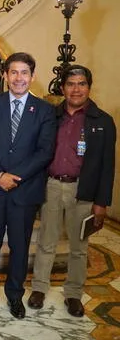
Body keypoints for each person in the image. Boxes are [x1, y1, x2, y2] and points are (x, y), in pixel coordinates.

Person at [0, 52, 57, 319]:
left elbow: (44, 152)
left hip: (24, 190)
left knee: (19, 247)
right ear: (5, 75)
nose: (19, 78)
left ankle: (14, 295)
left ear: (32, 76)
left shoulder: (44, 110)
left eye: (24, 73)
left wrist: (14, 176)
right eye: (14, 72)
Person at [29, 65, 116, 317]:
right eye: (70, 84)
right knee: (46, 241)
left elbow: (107, 166)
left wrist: (102, 203)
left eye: (81, 84)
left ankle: (74, 294)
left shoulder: (103, 122)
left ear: (89, 87)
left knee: (79, 246)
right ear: (63, 87)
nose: (76, 89)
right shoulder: (50, 116)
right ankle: (39, 288)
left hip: (83, 191)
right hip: (52, 187)